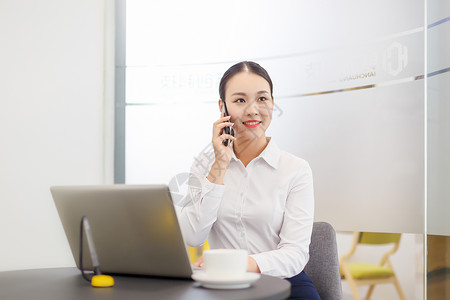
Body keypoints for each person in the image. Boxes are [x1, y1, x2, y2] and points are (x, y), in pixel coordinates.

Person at [178, 61, 320, 299]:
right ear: (222, 107)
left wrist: (242, 263)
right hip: (222, 286)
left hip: (284, 283)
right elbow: (193, 236)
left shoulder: (296, 169)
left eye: (262, 99)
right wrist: (219, 165)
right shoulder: (204, 166)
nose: (253, 110)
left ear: (273, 103)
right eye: (240, 100)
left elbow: (295, 254)